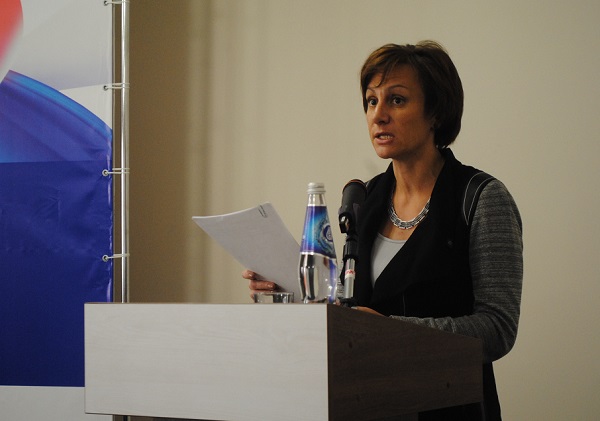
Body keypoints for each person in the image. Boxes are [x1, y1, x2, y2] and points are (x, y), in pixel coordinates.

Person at [243, 41, 523, 421]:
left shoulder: (481, 198)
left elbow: (497, 328)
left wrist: (391, 332)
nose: (378, 115)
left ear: (436, 112)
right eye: (371, 101)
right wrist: (291, 293)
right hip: (366, 404)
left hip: (448, 408)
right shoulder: (366, 198)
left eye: (397, 100)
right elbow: (349, 311)